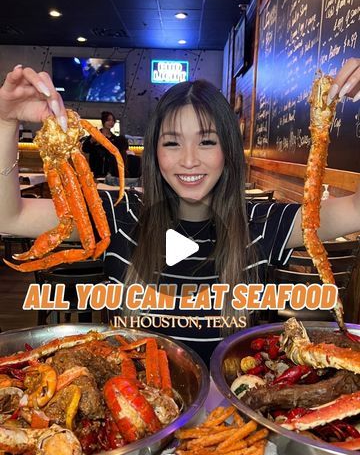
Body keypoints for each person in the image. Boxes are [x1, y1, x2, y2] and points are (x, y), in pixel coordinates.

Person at [0, 61, 360, 365]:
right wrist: (6, 122)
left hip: (233, 419)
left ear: (228, 150)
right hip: (135, 423)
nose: (189, 160)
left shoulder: (263, 223)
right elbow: (9, 217)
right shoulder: (119, 215)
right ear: (154, 151)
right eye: (172, 142)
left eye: (207, 141)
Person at [82, 110, 121, 178]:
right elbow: (85, 148)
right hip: (95, 170)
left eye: (113, 120)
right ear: (103, 121)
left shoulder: (115, 138)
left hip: (110, 172)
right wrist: (91, 141)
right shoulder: (95, 135)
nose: (111, 122)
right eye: (108, 120)